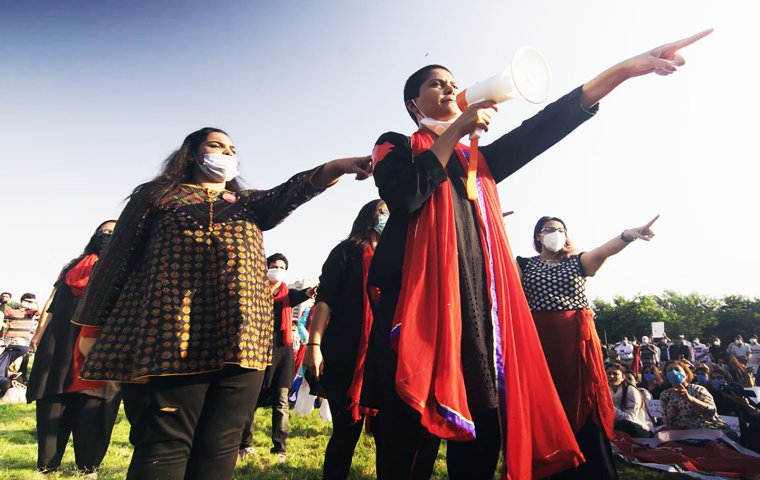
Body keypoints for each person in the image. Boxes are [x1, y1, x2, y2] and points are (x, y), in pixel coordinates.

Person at [364, 28, 712, 480]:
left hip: (478, 320)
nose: (450, 86)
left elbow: (549, 124)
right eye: (436, 82)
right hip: (418, 317)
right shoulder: (395, 144)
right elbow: (406, 195)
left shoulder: (480, 163)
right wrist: (457, 130)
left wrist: (625, 70)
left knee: (480, 440)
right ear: (414, 105)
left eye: (453, 81)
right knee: (407, 448)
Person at [72, 127, 371, 480]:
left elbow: (292, 191)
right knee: (164, 446)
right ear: (192, 153)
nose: (226, 154)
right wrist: (92, 326)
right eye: (216, 146)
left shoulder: (248, 204)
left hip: (243, 341)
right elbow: (117, 260)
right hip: (169, 336)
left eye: (232, 149)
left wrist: (336, 166)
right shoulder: (156, 197)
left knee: (220, 447)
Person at [517, 214, 658, 479]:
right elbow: (499, 274)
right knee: (546, 399)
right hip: (540, 341)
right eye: (549, 229)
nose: (555, 233)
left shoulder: (579, 262)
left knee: (584, 399)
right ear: (538, 236)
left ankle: (590, 466)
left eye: (560, 229)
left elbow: (605, 250)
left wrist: (629, 234)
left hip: (576, 341)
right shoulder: (523, 264)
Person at [305, 199, 397, 479]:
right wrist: (314, 345)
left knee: (390, 439)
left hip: (388, 357)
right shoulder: (346, 252)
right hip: (346, 354)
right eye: (382, 212)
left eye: (391, 213)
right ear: (368, 217)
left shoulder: (400, 255)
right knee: (345, 434)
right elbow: (325, 300)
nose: (387, 217)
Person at [25, 220, 121, 474]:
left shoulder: (125, 268)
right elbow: (52, 303)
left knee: (95, 405)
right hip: (60, 344)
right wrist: (38, 335)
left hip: (100, 347)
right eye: (104, 231)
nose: (107, 235)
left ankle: (88, 469)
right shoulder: (72, 267)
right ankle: (48, 468)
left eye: (114, 232)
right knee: (53, 400)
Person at [240, 252, 316, 461]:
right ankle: (245, 445)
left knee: (281, 404)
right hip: (257, 353)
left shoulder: (287, 295)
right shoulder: (256, 293)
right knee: (250, 402)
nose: (278, 270)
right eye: (274, 266)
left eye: (282, 267)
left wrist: (311, 291)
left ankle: (280, 448)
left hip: (282, 355)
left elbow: (304, 293)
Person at [660, 360, 732, 433]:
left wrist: (689, 398)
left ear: (686, 374)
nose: (673, 372)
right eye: (670, 370)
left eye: (677, 369)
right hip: (681, 436)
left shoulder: (698, 389)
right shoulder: (665, 395)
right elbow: (667, 421)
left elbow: (711, 411)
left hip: (707, 432)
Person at [606, 363, 653, 438]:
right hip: (615, 427)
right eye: (609, 373)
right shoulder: (606, 391)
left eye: (615, 374)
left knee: (623, 424)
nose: (611, 376)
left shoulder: (630, 391)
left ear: (623, 377)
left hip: (637, 427)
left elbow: (630, 418)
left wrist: (609, 407)